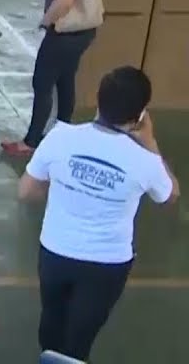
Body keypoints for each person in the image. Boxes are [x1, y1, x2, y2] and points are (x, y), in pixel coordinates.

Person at [19, 67, 178, 362]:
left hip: (56, 251)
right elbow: (170, 196)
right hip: (106, 265)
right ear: (141, 114)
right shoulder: (145, 161)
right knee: (81, 335)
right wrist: (151, 142)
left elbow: (26, 191)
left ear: (98, 100)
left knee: (52, 321)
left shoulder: (60, 137)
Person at [4, 0, 110, 157]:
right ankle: (64, 129)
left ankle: (31, 141)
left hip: (64, 33)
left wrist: (46, 20)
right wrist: (89, 0)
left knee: (42, 82)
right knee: (65, 80)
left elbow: (63, 1)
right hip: (85, 32)